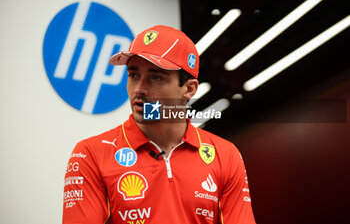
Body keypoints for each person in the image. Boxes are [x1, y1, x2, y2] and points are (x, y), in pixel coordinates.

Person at [63, 25, 256, 224]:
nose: (139, 89)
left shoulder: (226, 155)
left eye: (156, 77)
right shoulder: (90, 154)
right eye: (133, 75)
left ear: (189, 89)